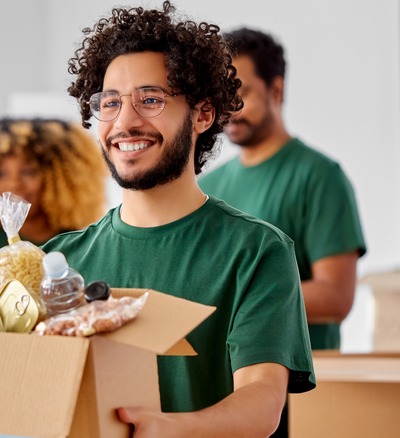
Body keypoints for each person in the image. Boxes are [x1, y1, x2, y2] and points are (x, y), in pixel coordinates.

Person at [41, 2, 315, 436]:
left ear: (203, 114)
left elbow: (262, 402)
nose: (125, 122)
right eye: (110, 103)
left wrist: (167, 427)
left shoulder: (256, 251)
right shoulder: (57, 262)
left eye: (149, 100)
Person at [198, 27, 367, 351]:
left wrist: (234, 298)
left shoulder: (319, 177)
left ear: (276, 90)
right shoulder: (205, 187)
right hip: (225, 384)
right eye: (221, 95)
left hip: (302, 387)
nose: (229, 108)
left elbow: (336, 297)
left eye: (241, 93)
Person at [0, 117, 107, 254]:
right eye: (1, 174)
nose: (15, 183)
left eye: (28, 172)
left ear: (58, 179)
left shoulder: (79, 242)